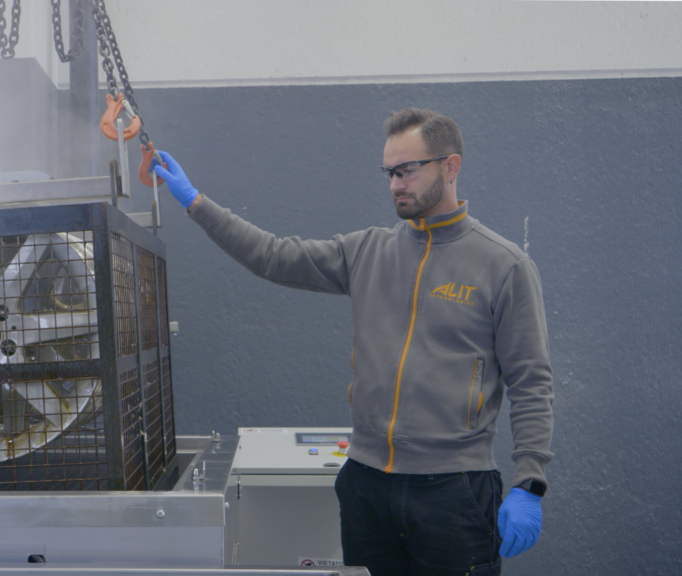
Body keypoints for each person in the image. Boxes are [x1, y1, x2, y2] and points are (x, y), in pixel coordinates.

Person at [151, 108, 553, 576]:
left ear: (450, 166)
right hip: (366, 486)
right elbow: (272, 256)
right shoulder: (367, 250)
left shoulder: (504, 265)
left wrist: (529, 481)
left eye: (407, 170)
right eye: (389, 172)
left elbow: (531, 381)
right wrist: (196, 202)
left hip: (454, 491)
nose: (395, 184)